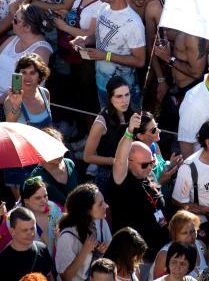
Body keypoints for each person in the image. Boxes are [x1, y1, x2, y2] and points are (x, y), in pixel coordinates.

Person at [72, 0, 146, 110]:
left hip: (124, 93)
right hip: (102, 84)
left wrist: (106, 56)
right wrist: (85, 40)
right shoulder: (103, 8)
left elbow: (139, 61)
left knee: (125, 123)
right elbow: (99, 36)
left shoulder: (134, 24)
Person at [108, 113, 168, 263]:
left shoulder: (149, 175)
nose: (150, 167)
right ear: (129, 162)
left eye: (152, 163)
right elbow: (120, 161)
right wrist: (129, 132)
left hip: (161, 249)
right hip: (137, 257)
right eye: (144, 165)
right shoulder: (122, 181)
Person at [0, 5, 53, 108]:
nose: (12, 22)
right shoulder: (12, 39)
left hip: (10, 103)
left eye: (15, 20)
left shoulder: (41, 51)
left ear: (27, 27)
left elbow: (22, 86)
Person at [84, 75, 134, 192]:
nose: (124, 100)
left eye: (127, 94)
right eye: (119, 96)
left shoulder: (131, 114)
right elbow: (87, 157)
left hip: (129, 172)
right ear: (110, 98)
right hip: (107, 176)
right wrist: (114, 161)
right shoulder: (100, 123)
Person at [56, 183, 113, 281]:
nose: (106, 205)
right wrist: (85, 250)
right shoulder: (67, 236)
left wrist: (108, 248)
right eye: (100, 204)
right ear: (86, 210)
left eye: (104, 201)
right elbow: (65, 277)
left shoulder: (101, 223)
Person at [0, 206, 53, 281]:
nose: (31, 233)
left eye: (32, 228)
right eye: (25, 230)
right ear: (12, 231)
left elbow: (49, 277)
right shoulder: (1, 263)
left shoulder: (42, 249)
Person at [28, 127, 80, 206]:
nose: (59, 154)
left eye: (60, 148)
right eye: (53, 150)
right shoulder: (36, 177)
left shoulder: (70, 163)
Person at [1, 53, 53, 128]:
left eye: (32, 73)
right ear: (18, 75)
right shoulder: (10, 100)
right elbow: (9, 127)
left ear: (40, 75)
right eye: (23, 72)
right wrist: (16, 106)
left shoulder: (45, 93)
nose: (27, 78)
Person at [151, 211, 207, 279]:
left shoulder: (201, 245)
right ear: (175, 234)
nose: (190, 236)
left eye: (192, 231)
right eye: (184, 233)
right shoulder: (164, 256)